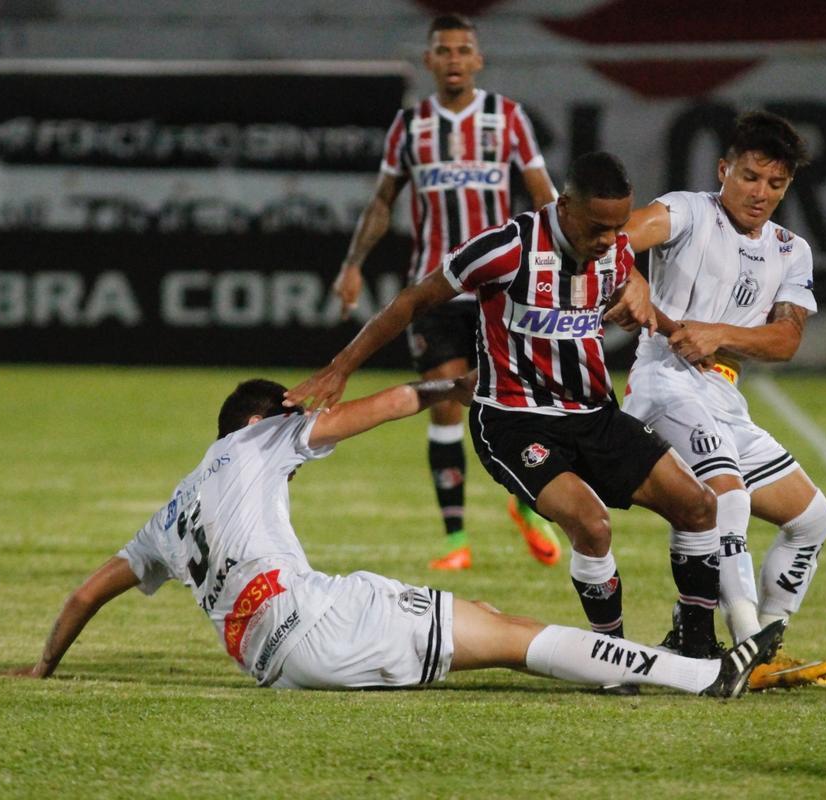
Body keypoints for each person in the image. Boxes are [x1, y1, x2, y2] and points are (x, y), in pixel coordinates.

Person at [5, 376, 786, 699]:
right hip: (318, 621)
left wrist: (45, 665)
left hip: (274, 665)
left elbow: (84, 593)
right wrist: (464, 388)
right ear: (261, 419)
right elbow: (378, 408)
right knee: (512, 635)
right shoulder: (257, 441)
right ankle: (697, 676)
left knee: (477, 616)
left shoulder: (170, 512)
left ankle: (661, 671)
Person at [286, 152, 734, 674]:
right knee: (592, 525)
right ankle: (613, 660)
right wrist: (340, 368)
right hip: (514, 420)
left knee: (700, 506)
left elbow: (626, 281)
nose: (611, 239)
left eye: (618, 227)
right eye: (598, 227)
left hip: (593, 414)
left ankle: (696, 643)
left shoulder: (611, 248)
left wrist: (671, 327)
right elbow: (412, 301)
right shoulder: (507, 248)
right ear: (564, 207)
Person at [331, 13, 561, 570]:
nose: (454, 59)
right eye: (444, 50)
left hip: (497, 287)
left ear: (477, 60)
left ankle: (526, 505)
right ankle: (455, 540)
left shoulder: (506, 118)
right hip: (432, 291)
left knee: (510, 402)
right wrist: (353, 263)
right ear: (429, 60)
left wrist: (561, 258)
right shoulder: (410, 126)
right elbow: (384, 200)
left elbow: (542, 193)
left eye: (464, 50)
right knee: (441, 404)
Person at [621, 110, 826, 689]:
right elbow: (624, 233)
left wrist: (719, 334)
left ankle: (767, 639)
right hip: (663, 386)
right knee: (727, 496)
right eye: (749, 177)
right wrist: (630, 274)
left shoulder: (792, 250)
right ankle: (744, 646)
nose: (760, 193)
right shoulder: (690, 211)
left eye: (776, 184)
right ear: (724, 169)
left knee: (813, 518)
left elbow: (787, 339)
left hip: (723, 399)